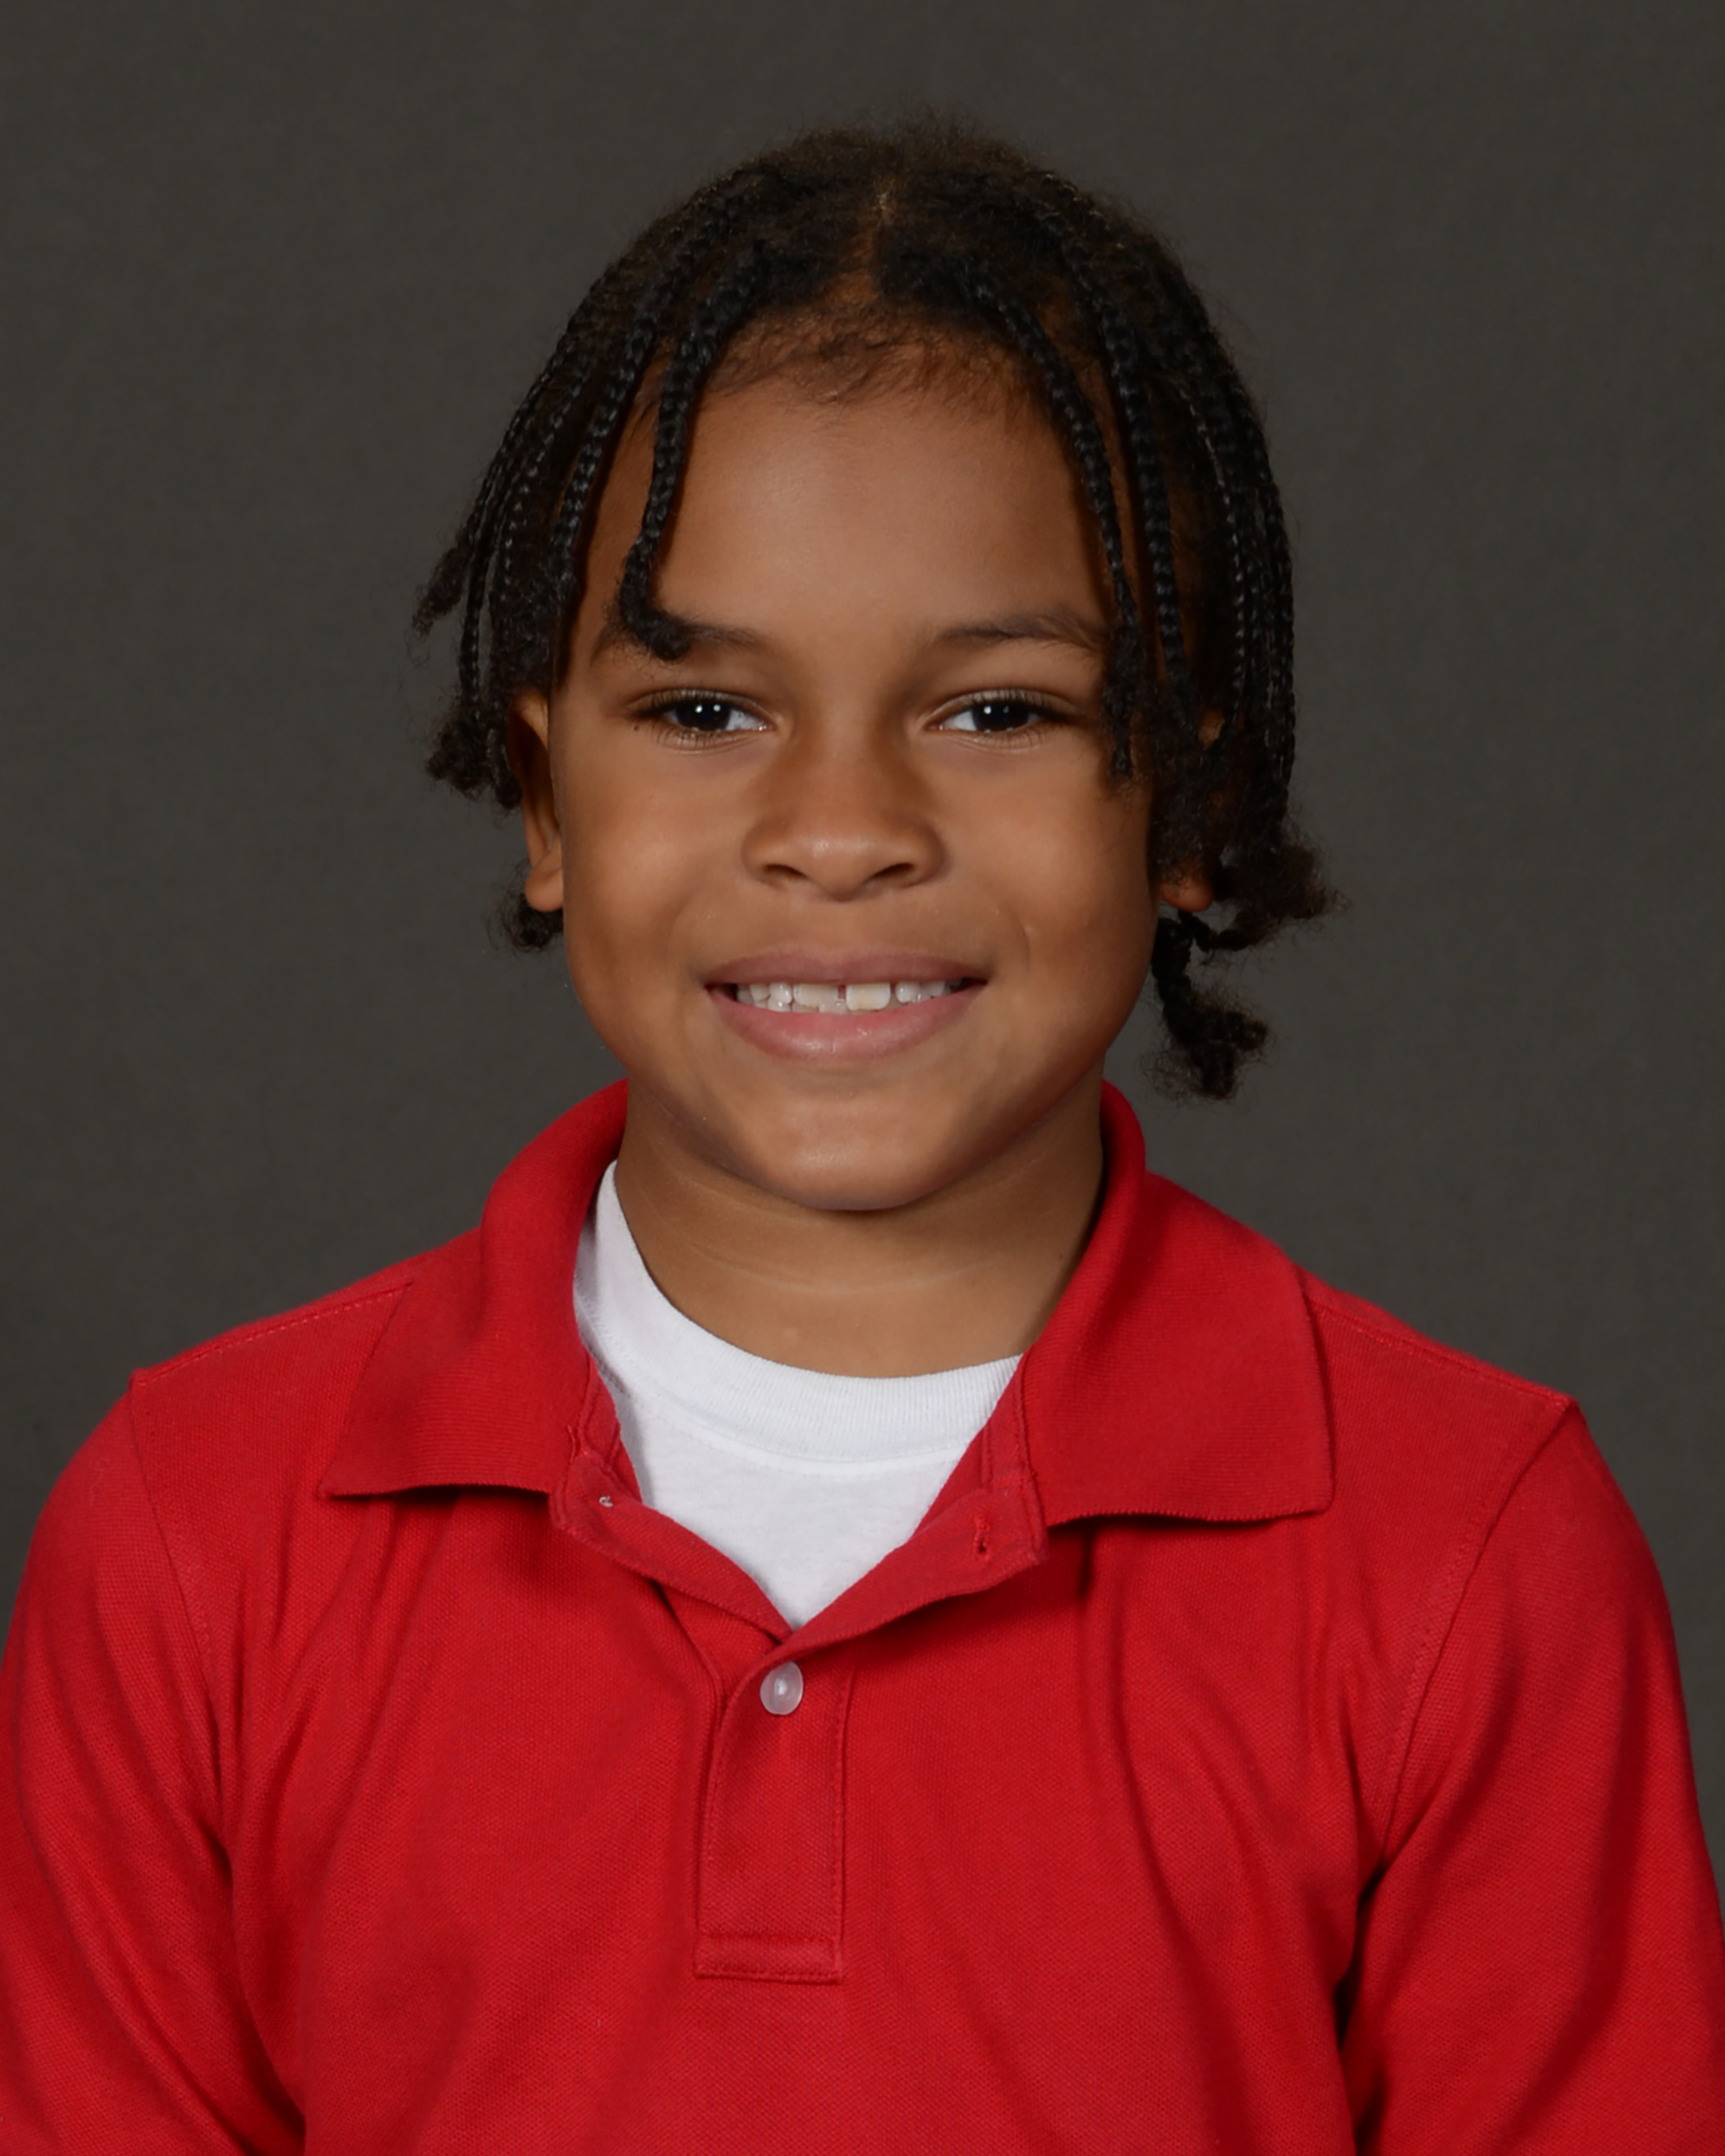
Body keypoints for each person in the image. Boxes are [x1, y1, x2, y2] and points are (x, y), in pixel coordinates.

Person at [2, 121, 1721, 2152]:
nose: (839, 831)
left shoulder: (1470, 1552)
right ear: (545, 802)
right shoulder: (197, 1536)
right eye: (703, 712)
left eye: (996, 711)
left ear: (1185, 808)